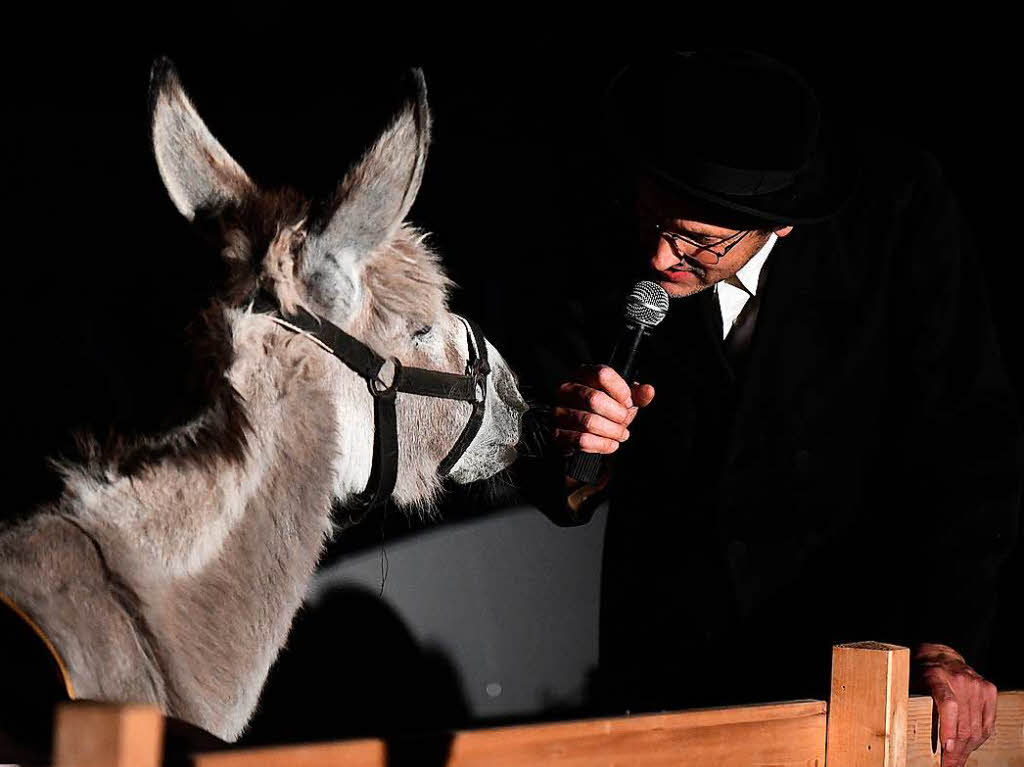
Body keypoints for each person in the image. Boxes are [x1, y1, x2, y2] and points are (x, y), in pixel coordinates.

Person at [508, 49, 1023, 767]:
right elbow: (553, 475)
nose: (659, 257)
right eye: (653, 218)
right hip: (669, 672)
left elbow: (969, 443)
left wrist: (947, 636)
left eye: (698, 241)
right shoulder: (598, 234)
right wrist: (571, 439)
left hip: (855, 659)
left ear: (779, 225)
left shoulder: (897, 215)